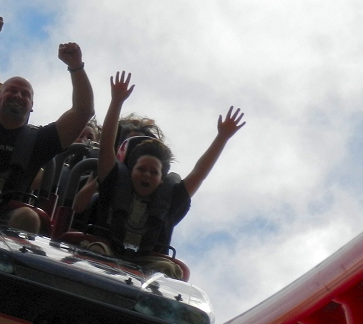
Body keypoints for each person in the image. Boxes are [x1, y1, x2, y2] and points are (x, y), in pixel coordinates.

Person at [87, 71, 245, 278]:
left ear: (161, 179)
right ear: (131, 169)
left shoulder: (171, 198)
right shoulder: (115, 181)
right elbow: (107, 144)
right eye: (141, 169)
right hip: (106, 248)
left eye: (153, 172)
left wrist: (222, 137)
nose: (146, 175)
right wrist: (116, 101)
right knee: (95, 251)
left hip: (146, 260)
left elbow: (200, 173)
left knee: (170, 270)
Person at [0, 14, 94, 224]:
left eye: (26, 94)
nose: (19, 96)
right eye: (12, 91)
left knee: (28, 216)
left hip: (7, 223)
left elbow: (83, 111)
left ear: (32, 107)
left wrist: (76, 67)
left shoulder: (39, 140)